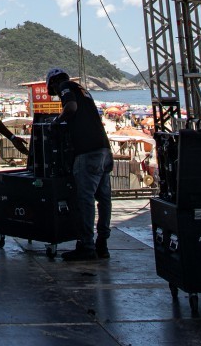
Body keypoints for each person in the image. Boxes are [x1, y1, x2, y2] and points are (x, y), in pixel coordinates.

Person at [45, 67, 111, 261]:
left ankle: (86, 246)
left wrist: (56, 122)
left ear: (54, 83)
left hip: (87, 152)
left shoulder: (65, 86)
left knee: (85, 200)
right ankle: (103, 243)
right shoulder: (83, 90)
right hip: (104, 150)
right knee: (104, 199)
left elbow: (71, 108)